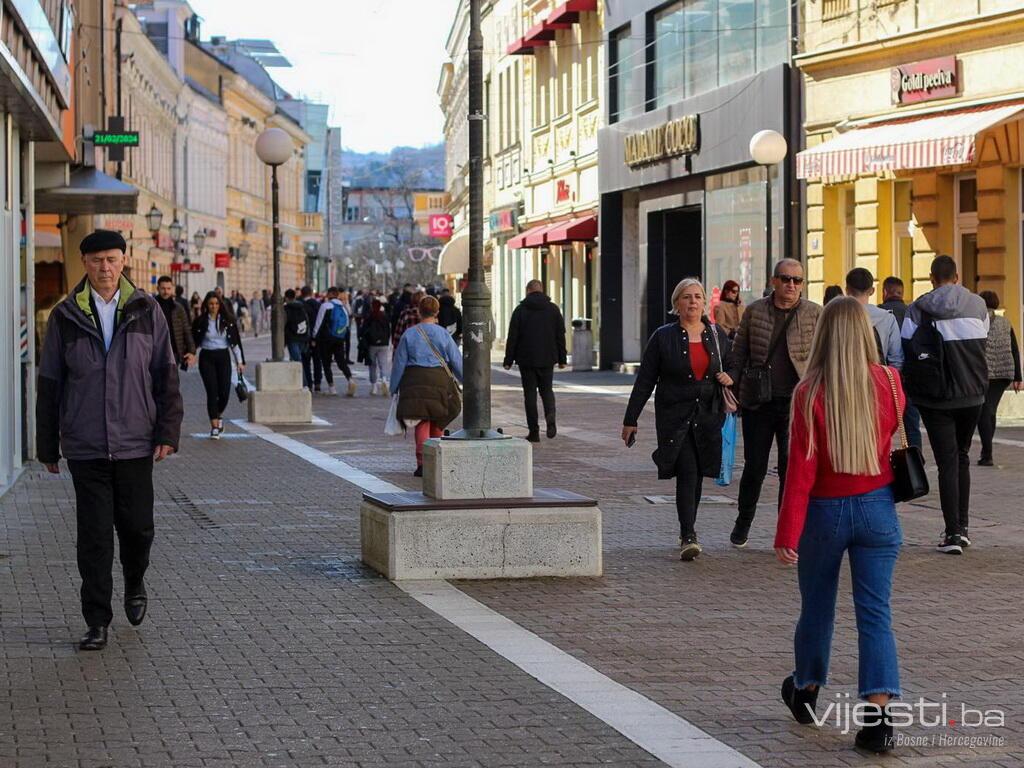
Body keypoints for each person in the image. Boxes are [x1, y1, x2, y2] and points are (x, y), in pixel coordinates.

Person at [36, 229, 184, 652]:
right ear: (85, 263)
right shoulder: (65, 316)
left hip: (135, 441)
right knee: (95, 537)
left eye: (112, 259)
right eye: (97, 260)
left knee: (137, 528)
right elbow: (50, 383)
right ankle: (96, 620)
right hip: (86, 445)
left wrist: (168, 431)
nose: (105, 267)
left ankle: (135, 581)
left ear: (123, 261)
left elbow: (165, 374)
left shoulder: (146, 310)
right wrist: (47, 445)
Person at [775, 297, 904, 755]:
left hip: (824, 511)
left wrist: (787, 532)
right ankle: (878, 719)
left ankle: (806, 688)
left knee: (817, 607)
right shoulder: (890, 383)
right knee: (875, 613)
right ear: (866, 334)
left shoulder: (808, 392)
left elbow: (800, 470)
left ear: (824, 334)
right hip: (878, 508)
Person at [622, 278, 733, 560]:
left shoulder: (716, 335)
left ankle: (688, 529)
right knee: (687, 470)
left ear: (704, 302)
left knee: (697, 474)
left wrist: (729, 376)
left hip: (708, 415)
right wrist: (631, 418)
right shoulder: (663, 337)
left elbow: (733, 365)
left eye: (697, 296)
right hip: (674, 415)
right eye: (686, 297)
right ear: (677, 304)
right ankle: (688, 534)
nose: (693, 301)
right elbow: (645, 380)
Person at [727, 258, 821, 548]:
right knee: (754, 467)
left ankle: (786, 532)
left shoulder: (814, 313)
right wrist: (732, 387)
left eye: (797, 280)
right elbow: (738, 353)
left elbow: (823, 356)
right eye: (786, 279)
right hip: (759, 402)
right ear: (774, 281)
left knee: (790, 470)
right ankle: (743, 522)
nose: (791, 285)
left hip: (797, 405)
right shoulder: (755, 311)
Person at [901, 255, 988, 554]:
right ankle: (963, 529)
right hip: (972, 394)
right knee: (962, 456)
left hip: (934, 397)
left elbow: (906, 349)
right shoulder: (978, 305)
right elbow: (983, 341)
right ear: (957, 276)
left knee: (947, 462)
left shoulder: (918, 308)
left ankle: (952, 534)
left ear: (932, 278)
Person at [391, 295, 464, 477]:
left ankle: (422, 463)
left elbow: (399, 363)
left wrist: (394, 387)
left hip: (414, 381)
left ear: (419, 311)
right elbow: (456, 360)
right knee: (438, 420)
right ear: (437, 312)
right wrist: (466, 381)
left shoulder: (409, 334)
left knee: (421, 422)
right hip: (439, 380)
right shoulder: (443, 334)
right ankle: (436, 460)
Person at [503, 280, 568, 442]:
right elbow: (560, 335)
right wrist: (562, 358)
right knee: (547, 391)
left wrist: (508, 360)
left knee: (530, 395)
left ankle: (534, 431)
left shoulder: (520, 310)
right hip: (547, 358)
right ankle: (550, 417)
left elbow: (513, 337)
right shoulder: (553, 309)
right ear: (541, 290)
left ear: (528, 290)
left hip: (526, 359)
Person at [975, 290, 1022, 466]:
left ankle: (987, 454)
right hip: (1004, 374)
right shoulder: (1006, 322)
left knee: (984, 411)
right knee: (990, 410)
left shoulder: (978, 321)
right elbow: (1014, 349)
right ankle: (986, 452)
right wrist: (1017, 377)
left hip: (984, 373)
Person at [192, 291, 245, 439]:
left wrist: (240, 361)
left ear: (220, 305)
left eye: (216, 304)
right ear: (206, 305)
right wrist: (191, 354)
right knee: (212, 391)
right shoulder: (201, 321)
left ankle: (218, 414)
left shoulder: (227, 321)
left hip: (223, 357)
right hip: (207, 357)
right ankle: (214, 426)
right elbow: (193, 340)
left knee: (224, 392)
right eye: (211, 304)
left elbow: (235, 343)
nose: (214, 306)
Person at [845, 268, 903, 368]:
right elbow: (896, 359)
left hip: (845, 375)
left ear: (847, 290)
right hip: (878, 375)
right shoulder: (888, 318)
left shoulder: (836, 316)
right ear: (872, 291)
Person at [313, 286, 356, 396]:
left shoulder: (325, 306)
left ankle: (332, 388)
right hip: (339, 338)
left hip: (326, 339)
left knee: (326, 363)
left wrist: (314, 336)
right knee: (341, 361)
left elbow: (319, 323)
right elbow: (347, 324)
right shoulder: (343, 307)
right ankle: (350, 379)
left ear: (331, 294)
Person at [155, 275, 196, 370]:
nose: (166, 291)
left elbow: (186, 329)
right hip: (156, 350)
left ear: (172, 289)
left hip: (174, 350)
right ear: (158, 289)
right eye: (163, 288)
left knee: (172, 377)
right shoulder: (152, 306)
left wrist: (191, 351)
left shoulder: (178, 308)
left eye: (168, 288)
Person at [362, 298, 392, 395]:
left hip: (372, 344)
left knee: (372, 365)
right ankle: (384, 380)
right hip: (384, 344)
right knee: (383, 364)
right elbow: (388, 330)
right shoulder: (385, 316)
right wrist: (386, 340)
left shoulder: (369, 316)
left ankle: (374, 386)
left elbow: (363, 331)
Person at [301, 286, 324, 392]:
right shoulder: (318, 305)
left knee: (306, 362)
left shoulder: (301, 305)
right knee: (317, 360)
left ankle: (308, 383)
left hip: (305, 337)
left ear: (302, 294)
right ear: (311, 293)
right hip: (318, 337)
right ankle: (318, 383)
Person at [284, 288, 311, 368]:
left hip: (292, 338)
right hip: (303, 336)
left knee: (297, 363)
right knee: (299, 361)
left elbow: (284, 324)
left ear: (286, 298)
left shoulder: (286, 309)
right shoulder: (301, 306)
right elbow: (307, 321)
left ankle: (302, 376)